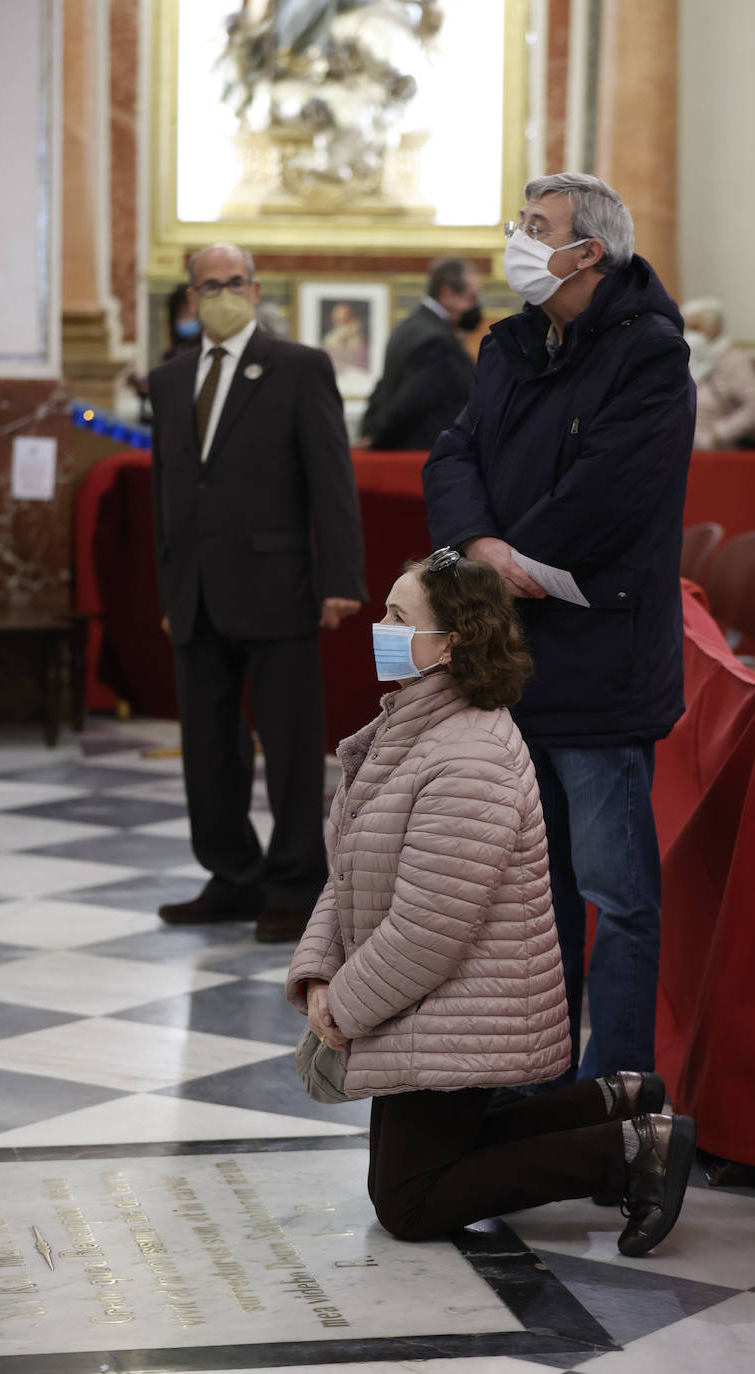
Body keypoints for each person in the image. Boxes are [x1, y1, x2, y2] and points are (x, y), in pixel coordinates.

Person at [286, 551, 696, 1254]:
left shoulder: (468, 755)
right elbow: (349, 867)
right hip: (425, 1001)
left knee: (409, 1203)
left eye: (397, 617)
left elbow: (427, 930)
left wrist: (345, 1007)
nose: (378, 628)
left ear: (450, 643)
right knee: (432, 1164)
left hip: (460, 1002)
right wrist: (319, 971)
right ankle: (617, 1103)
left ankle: (633, 1154)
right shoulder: (405, 725)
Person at [423, 173, 696, 1081]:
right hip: (516, 658)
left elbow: (612, 492)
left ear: (589, 253)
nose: (519, 240)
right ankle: (541, 1092)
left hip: (603, 665)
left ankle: (616, 1101)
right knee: (534, 901)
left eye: (537, 228)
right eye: (519, 223)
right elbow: (455, 451)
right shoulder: (508, 345)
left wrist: (509, 562)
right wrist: (479, 542)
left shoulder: (649, 353)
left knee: (615, 896)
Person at [149, 242, 367, 942]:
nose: (220, 293)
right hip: (198, 592)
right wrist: (170, 584)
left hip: (281, 586)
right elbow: (170, 492)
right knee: (208, 747)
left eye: (232, 282)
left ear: (255, 287)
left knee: (293, 746)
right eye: (207, 284)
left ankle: (293, 884)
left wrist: (340, 578)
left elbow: (330, 480)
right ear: (190, 297)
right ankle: (231, 875)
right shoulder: (171, 379)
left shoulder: (299, 367)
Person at [360, 258, 482, 450]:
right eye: (471, 298)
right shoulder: (436, 340)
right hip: (423, 455)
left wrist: (370, 432)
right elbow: (410, 403)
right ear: (447, 292)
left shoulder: (408, 326)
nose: (475, 307)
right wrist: (376, 439)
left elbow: (383, 387)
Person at [682, 297, 755, 450]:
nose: (690, 334)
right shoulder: (683, 357)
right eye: (686, 328)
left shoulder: (734, 359)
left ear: (715, 328)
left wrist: (720, 433)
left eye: (696, 328)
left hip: (717, 451)